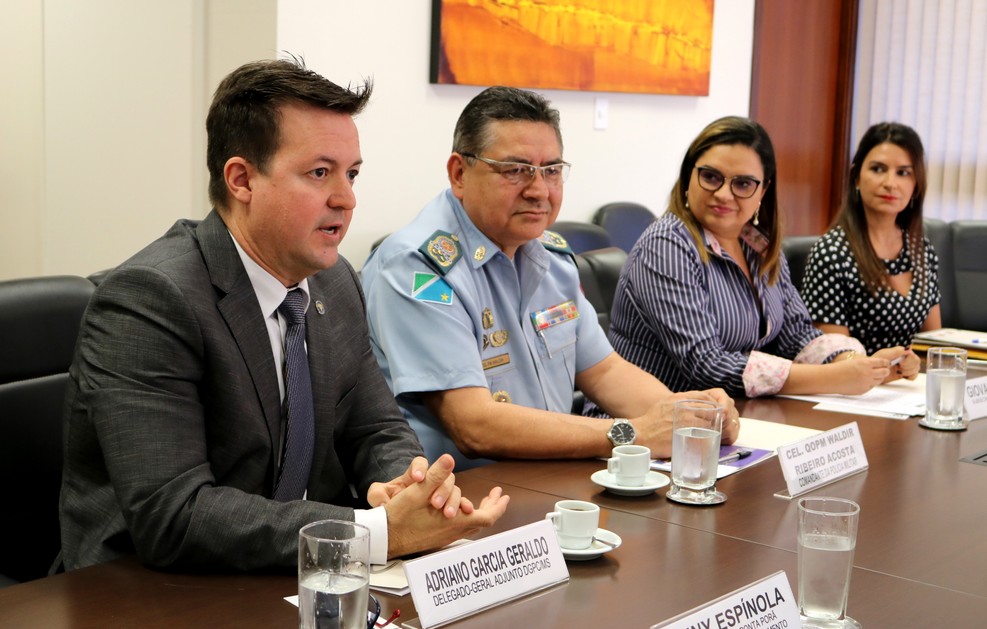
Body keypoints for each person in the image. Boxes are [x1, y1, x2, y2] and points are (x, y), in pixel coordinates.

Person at [58, 58, 508, 573]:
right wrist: (375, 532)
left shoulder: (335, 282)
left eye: (352, 174)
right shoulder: (149, 300)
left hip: (291, 570)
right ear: (242, 180)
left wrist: (409, 488)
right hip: (145, 588)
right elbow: (174, 514)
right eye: (319, 173)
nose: (346, 199)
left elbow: (376, 428)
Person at [360, 86, 739, 471]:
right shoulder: (417, 267)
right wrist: (634, 434)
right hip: (460, 494)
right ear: (459, 173)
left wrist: (689, 417)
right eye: (515, 170)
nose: (539, 190)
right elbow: (474, 425)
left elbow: (605, 371)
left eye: (552, 171)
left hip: (549, 478)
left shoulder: (551, 257)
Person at [605, 116, 918, 399]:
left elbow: (796, 335)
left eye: (743, 184)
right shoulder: (667, 245)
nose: (724, 194)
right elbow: (706, 364)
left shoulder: (757, 244)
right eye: (711, 177)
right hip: (647, 426)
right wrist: (833, 378)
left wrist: (857, 364)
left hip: (732, 417)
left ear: (763, 191)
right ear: (689, 176)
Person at [802, 122, 941, 354]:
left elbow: (935, 346)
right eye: (878, 169)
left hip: (912, 376)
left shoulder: (921, 249)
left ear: (916, 185)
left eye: (903, 173)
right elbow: (833, 357)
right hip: (854, 375)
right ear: (856, 177)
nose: (890, 183)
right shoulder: (831, 253)